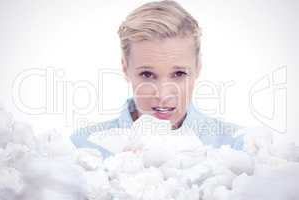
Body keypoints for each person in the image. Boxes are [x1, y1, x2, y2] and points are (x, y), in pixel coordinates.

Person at [71, 0, 244, 158]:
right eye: (147, 74)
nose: (163, 95)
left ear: (198, 67)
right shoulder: (82, 147)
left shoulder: (238, 147)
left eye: (179, 74)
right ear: (125, 68)